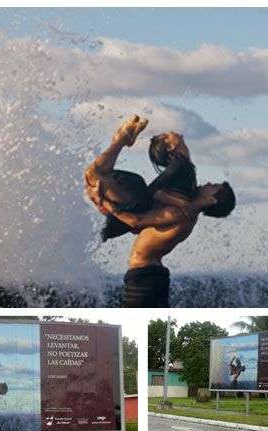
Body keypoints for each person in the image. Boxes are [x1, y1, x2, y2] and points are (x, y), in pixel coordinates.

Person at [85, 115, 236, 307]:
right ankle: (121, 140)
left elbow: (136, 223)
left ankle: (121, 140)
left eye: (213, 186)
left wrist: (104, 203)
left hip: (144, 279)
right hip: (150, 275)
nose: (208, 183)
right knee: (96, 176)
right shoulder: (184, 201)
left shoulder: (183, 214)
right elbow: (141, 226)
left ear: (212, 199)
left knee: (94, 176)